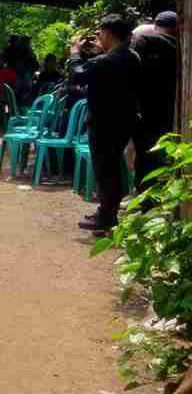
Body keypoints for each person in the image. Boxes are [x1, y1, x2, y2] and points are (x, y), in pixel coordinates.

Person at [79, 14, 141, 236]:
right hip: (124, 121)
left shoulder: (104, 61)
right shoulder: (132, 56)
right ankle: (106, 213)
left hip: (103, 123)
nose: (98, 37)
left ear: (107, 33)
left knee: (105, 170)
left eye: (100, 33)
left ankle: (107, 218)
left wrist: (75, 55)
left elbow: (77, 77)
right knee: (112, 168)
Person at [132, 10, 179, 192]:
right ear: (176, 28)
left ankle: (144, 200)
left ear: (155, 26)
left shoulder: (144, 43)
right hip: (170, 113)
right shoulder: (181, 49)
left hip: (144, 112)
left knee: (144, 159)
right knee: (165, 158)